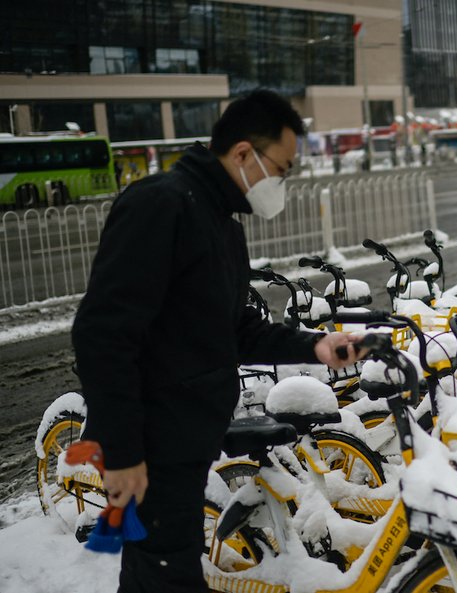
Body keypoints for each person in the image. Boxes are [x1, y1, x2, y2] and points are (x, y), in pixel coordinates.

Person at [71, 89, 362, 593]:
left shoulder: (221, 224)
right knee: (164, 579)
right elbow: (103, 335)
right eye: (283, 168)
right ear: (244, 153)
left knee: (161, 577)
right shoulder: (160, 205)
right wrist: (120, 454)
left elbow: (234, 329)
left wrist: (315, 346)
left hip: (186, 448)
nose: (284, 183)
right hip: (150, 453)